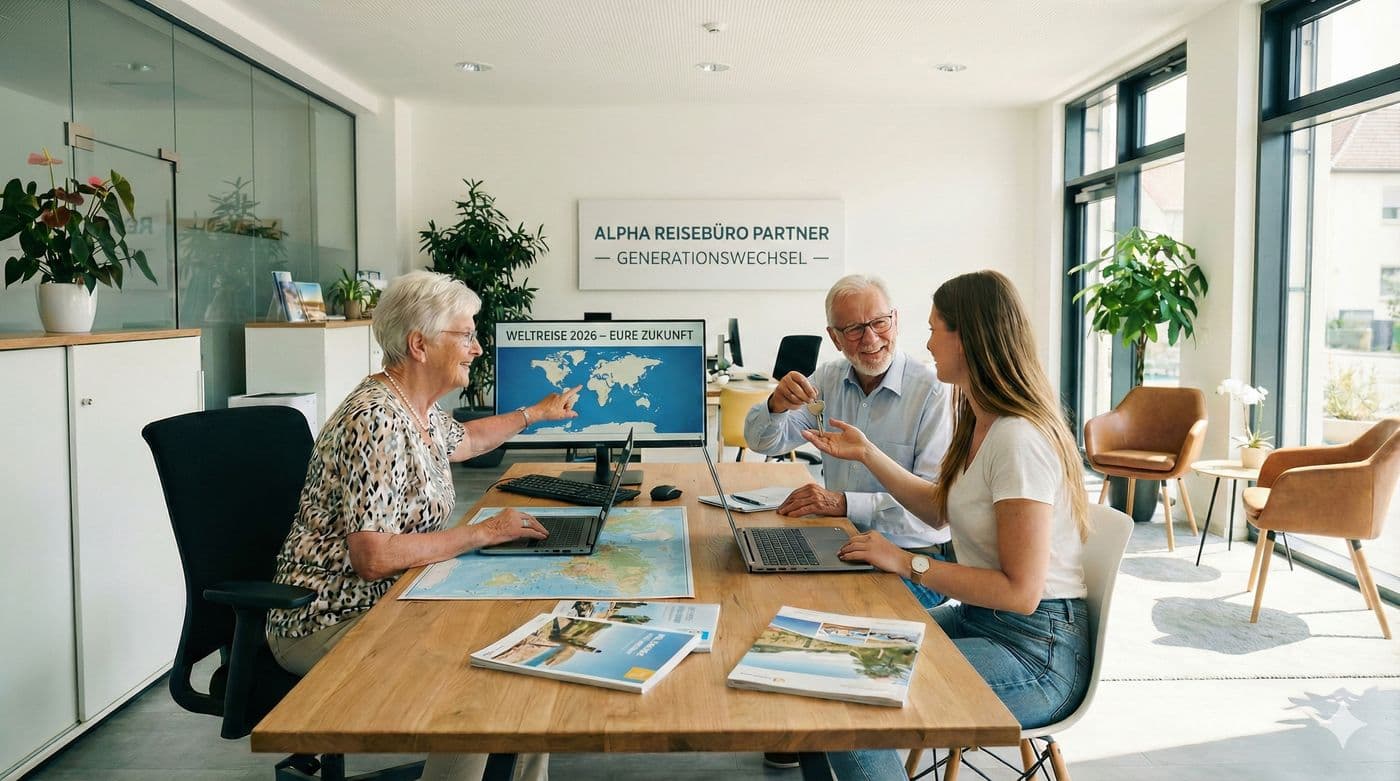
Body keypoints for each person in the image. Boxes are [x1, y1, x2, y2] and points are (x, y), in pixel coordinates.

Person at [266, 270, 579, 781]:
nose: (476, 349)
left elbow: (468, 440)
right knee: (475, 680)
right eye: (466, 335)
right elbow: (373, 557)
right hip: (329, 618)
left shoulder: (416, 409)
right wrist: (482, 532)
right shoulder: (376, 420)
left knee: (527, 648)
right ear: (419, 344)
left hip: (397, 599)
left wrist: (534, 415)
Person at [802, 270, 1092, 780]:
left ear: (970, 338)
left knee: (849, 699)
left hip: (1035, 652)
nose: (926, 341)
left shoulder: (1018, 439)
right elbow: (939, 509)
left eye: (937, 329)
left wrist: (906, 561)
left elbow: (1022, 592)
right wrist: (868, 454)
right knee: (821, 665)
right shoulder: (979, 418)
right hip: (984, 623)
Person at [742, 273, 953, 771]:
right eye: (854, 329)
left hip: (912, 559)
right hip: (843, 546)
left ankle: (816, 734)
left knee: (822, 651)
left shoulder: (934, 394)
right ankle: (802, 736)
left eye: (879, 322)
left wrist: (844, 503)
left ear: (895, 320)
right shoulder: (830, 379)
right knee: (763, 602)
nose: (870, 339)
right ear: (834, 336)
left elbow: (934, 512)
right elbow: (763, 441)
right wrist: (774, 405)